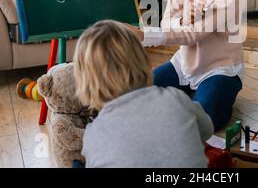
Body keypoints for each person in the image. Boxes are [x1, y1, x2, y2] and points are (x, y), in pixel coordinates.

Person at [128, 0, 248, 131]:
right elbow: (168, 23)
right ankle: (189, 94)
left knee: (195, 122)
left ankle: (215, 98)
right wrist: (184, 17)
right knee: (135, 96)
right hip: (184, 64)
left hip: (220, 69)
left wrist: (144, 35)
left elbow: (195, 34)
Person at [74, 20, 214, 168]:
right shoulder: (175, 98)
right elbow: (207, 130)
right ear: (142, 60)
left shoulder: (93, 136)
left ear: (85, 81)